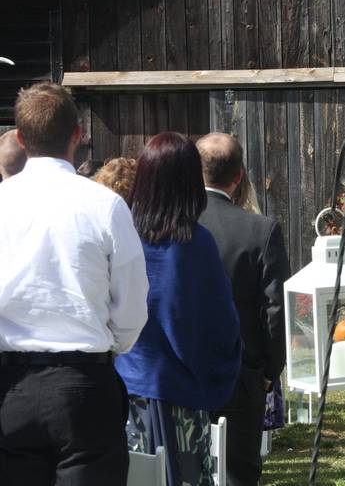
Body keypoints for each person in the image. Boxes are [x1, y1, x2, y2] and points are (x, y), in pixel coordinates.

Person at [0, 82, 148, 486]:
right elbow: (132, 302)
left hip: (12, 384)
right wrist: (111, 344)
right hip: (83, 382)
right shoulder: (105, 205)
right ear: (78, 135)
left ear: (19, 137)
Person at [115, 132, 241, 486]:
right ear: (190, 182)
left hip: (125, 387)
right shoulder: (194, 242)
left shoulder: (122, 234)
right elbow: (219, 323)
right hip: (181, 392)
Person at [196, 132, 290, 485]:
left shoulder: (172, 224)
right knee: (239, 470)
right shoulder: (259, 229)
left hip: (183, 369)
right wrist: (271, 369)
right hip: (243, 370)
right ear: (238, 177)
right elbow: (276, 308)